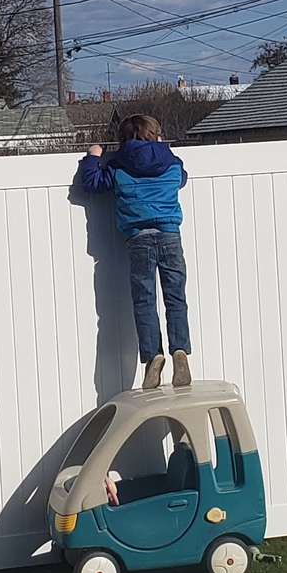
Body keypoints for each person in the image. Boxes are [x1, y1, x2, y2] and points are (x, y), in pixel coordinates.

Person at [80, 114, 192, 389]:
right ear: (157, 136)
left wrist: (93, 156)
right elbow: (182, 179)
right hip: (170, 237)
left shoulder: (118, 167)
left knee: (145, 302)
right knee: (175, 299)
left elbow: (92, 183)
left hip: (138, 239)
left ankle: (153, 355)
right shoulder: (172, 163)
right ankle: (179, 349)